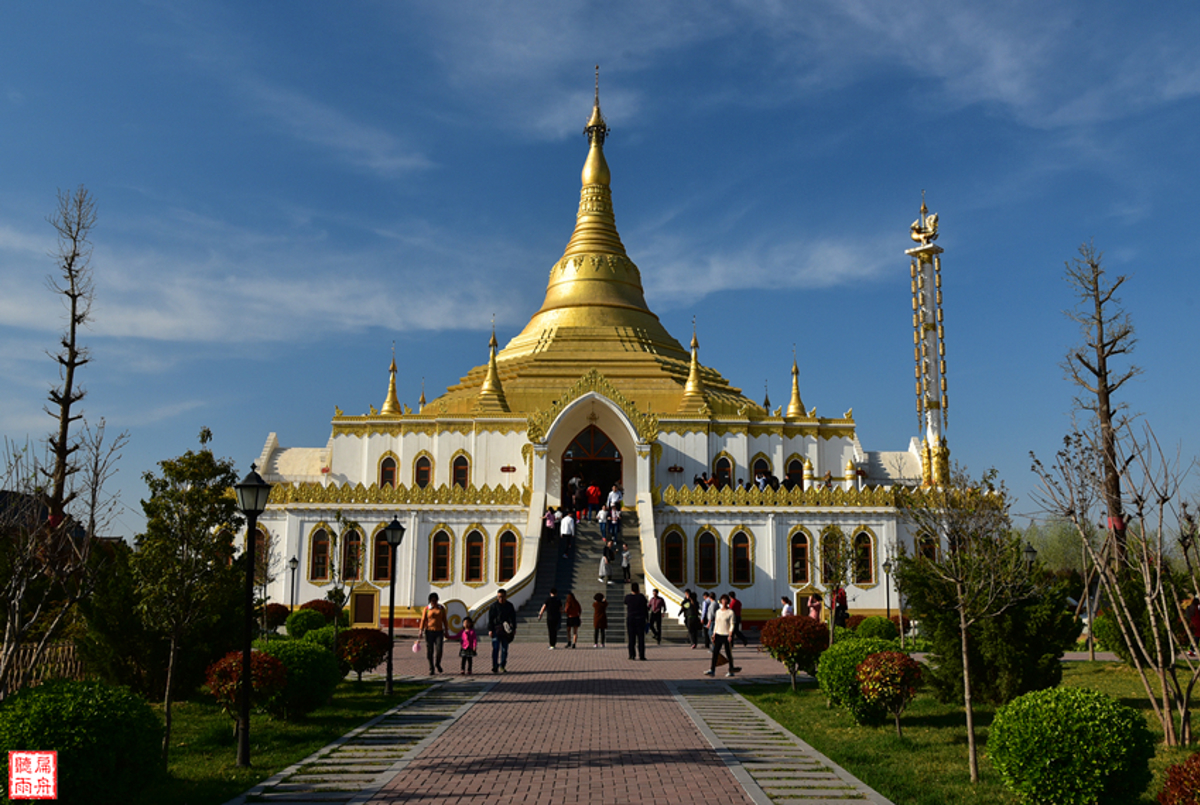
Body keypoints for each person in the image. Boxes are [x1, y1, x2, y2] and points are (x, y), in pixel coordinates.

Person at [704, 594, 736, 677]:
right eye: (723, 600)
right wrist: (714, 634)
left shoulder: (730, 612)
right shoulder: (718, 612)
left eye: (726, 600)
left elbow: (732, 624)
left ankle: (731, 670)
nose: (724, 602)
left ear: (728, 601)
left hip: (726, 635)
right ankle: (712, 669)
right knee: (715, 653)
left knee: (728, 653)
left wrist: (730, 634)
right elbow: (716, 624)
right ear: (721, 601)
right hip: (718, 634)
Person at [488, 588, 517, 673]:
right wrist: (490, 630)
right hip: (496, 629)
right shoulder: (493, 606)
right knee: (495, 648)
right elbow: (490, 619)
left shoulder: (509, 606)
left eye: (502, 597)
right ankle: (495, 665)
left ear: (505, 596)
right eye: (499, 597)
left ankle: (502, 665)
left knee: (504, 649)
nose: (500, 598)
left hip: (505, 630)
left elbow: (513, 618)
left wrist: (514, 628)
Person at [418, 592, 448, 675]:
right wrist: (421, 630)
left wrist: (446, 630)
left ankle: (437, 663)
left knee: (439, 649)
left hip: (439, 632)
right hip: (429, 632)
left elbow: (445, 620)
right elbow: (423, 620)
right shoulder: (427, 609)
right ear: (430, 601)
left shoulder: (441, 608)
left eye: (435, 600)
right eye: (432, 601)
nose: (434, 602)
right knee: (430, 650)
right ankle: (431, 667)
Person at [625, 582, 648, 660]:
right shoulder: (641, 597)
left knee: (631, 638)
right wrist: (647, 619)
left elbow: (625, 602)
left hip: (631, 618)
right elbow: (645, 608)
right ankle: (641, 655)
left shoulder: (628, 597)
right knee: (641, 638)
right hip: (640, 618)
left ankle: (632, 655)